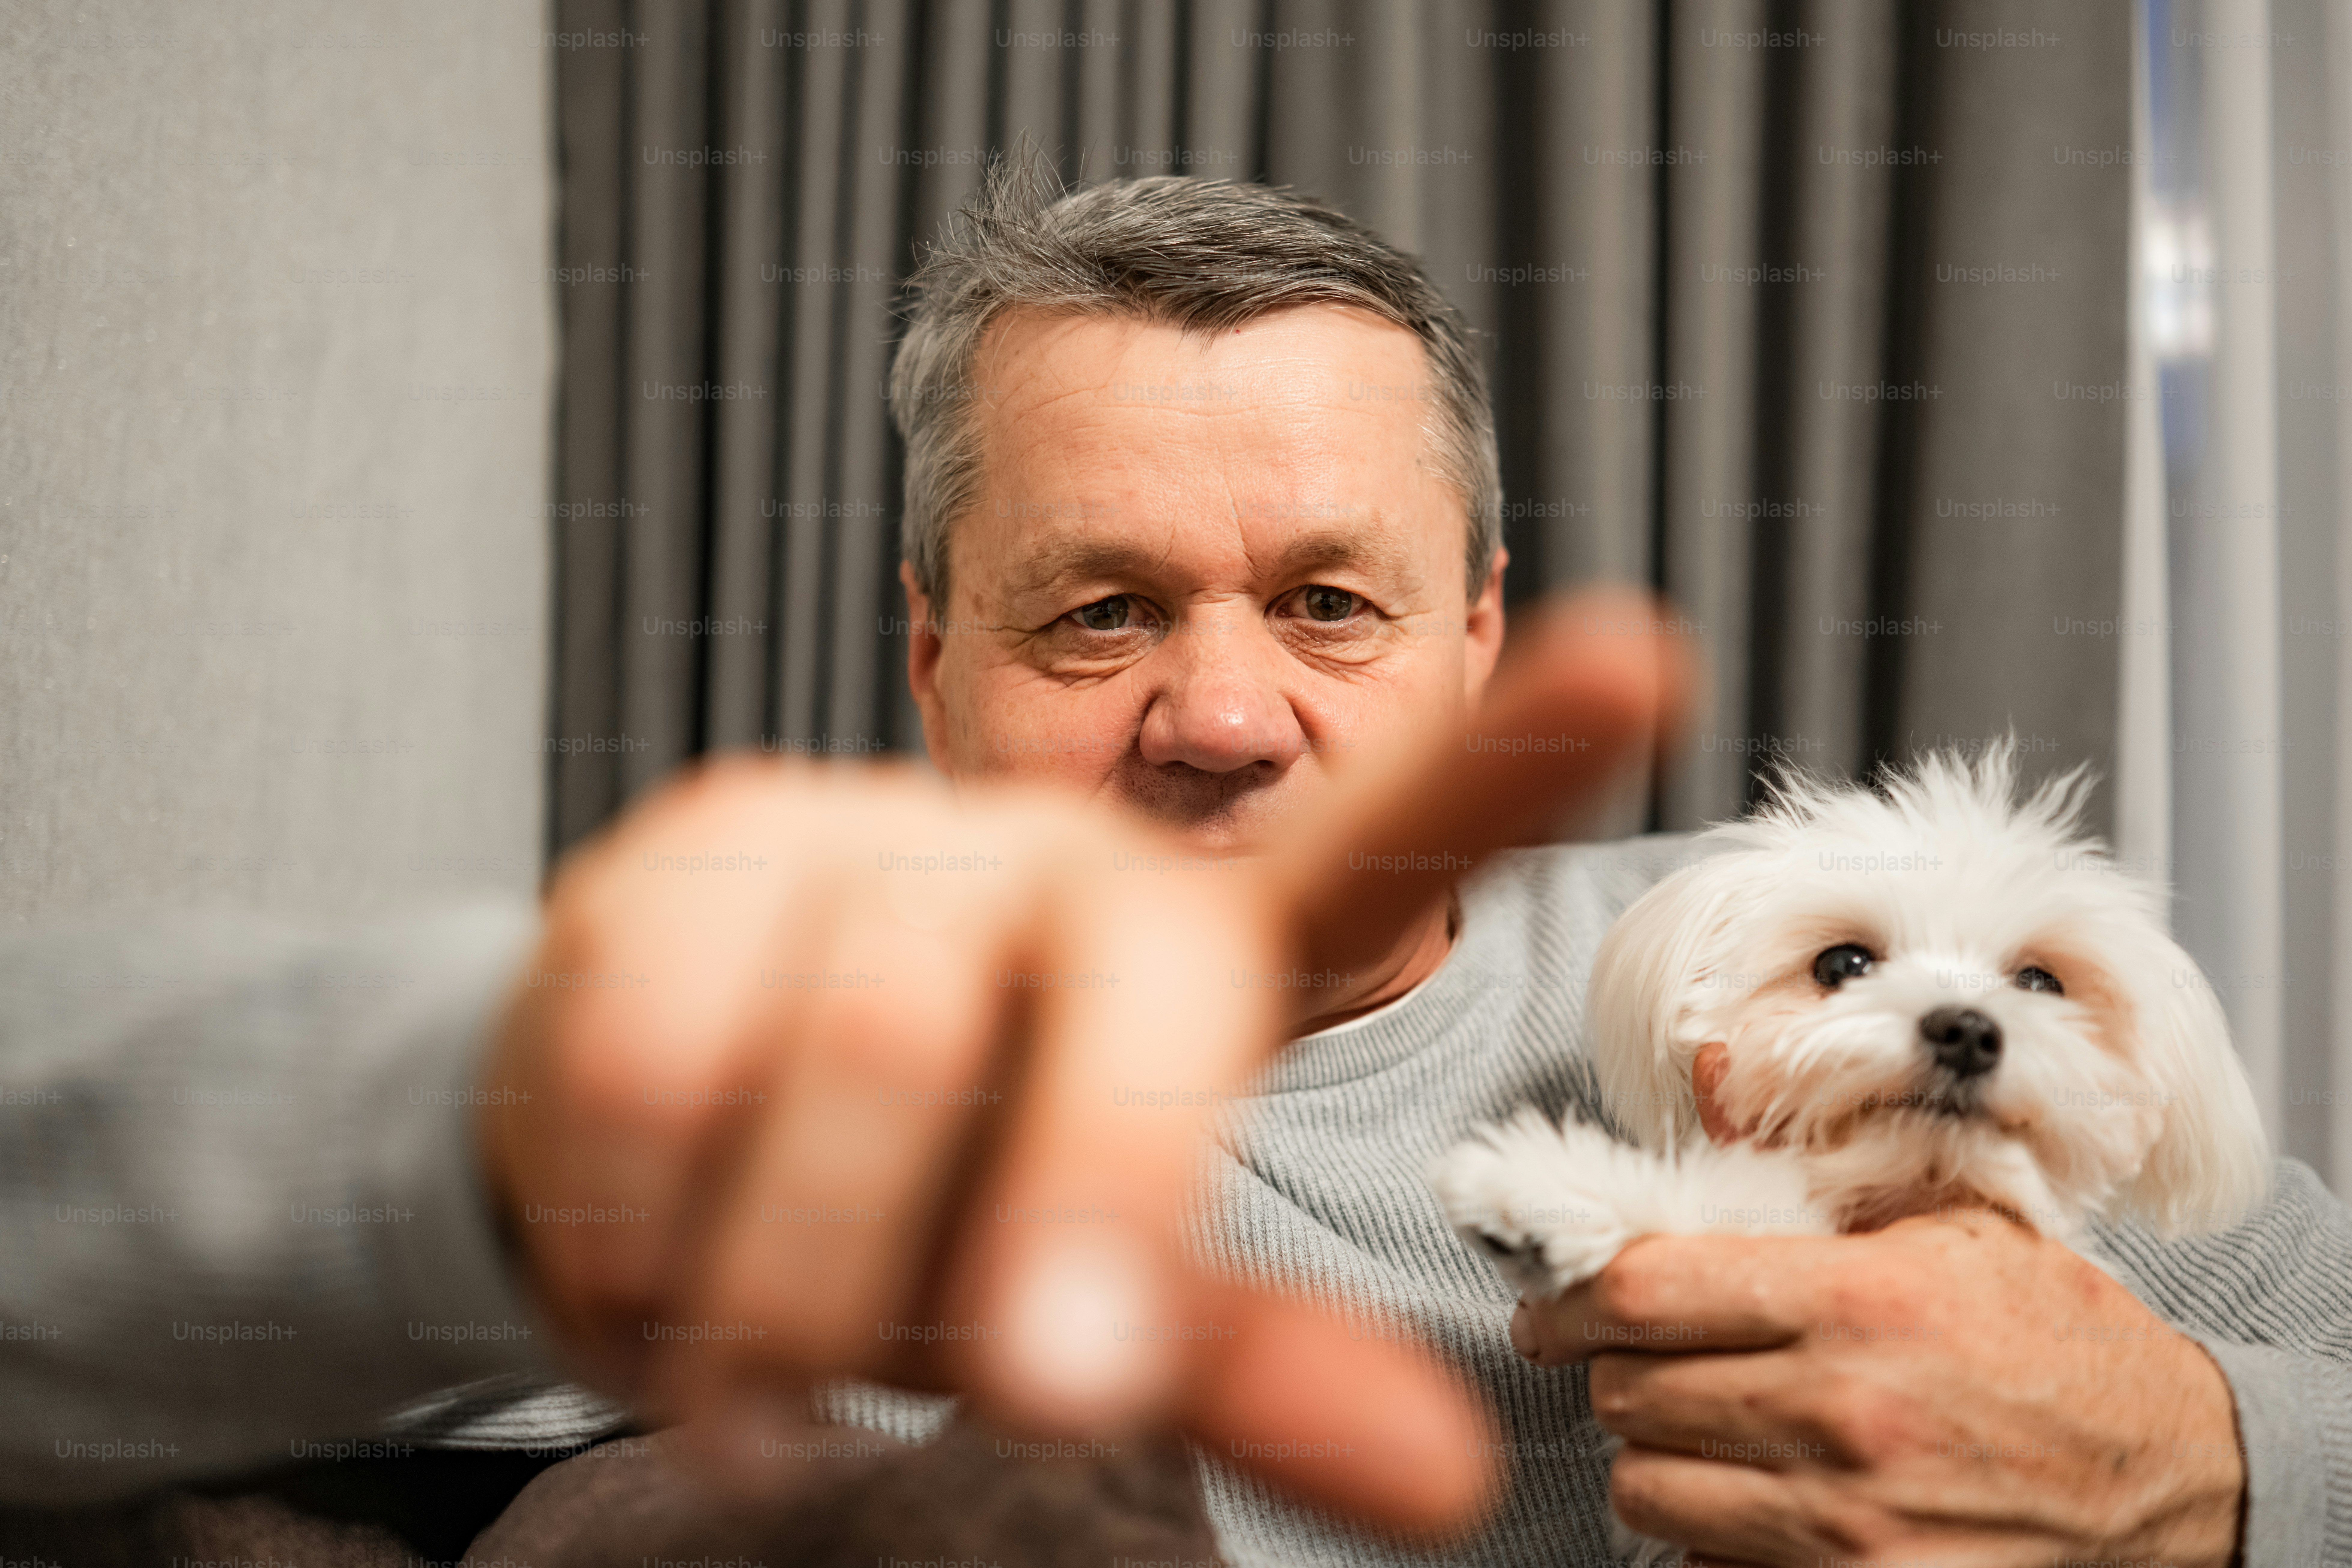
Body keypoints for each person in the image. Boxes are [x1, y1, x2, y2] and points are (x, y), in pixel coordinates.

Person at [8, 159, 2351, 1568]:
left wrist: (2206, 1458)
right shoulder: (753, 1046)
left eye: (1326, 601)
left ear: (1478, 633)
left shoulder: (1791, 973)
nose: (1222, 718)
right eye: (1098, 608)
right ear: (930, 654)